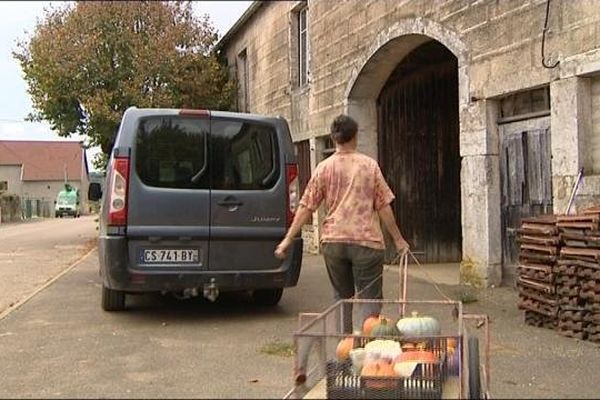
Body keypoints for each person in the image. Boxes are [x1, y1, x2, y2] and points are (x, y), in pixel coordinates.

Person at [275, 114, 409, 333]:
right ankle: (368, 350)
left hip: (333, 242)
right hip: (366, 242)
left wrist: (287, 240)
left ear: (334, 138)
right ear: (355, 136)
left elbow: (306, 206)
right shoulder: (369, 166)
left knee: (341, 297)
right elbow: (384, 206)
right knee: (369, 299)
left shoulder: (323, 168)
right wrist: (398, 239)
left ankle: (342, 351)